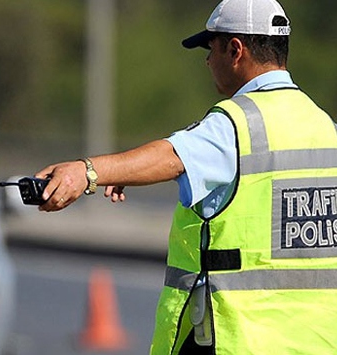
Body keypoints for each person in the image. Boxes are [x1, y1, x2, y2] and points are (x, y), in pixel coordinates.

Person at [34, 0, 337, 354]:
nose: (208, 61)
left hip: (241, 341)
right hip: (316, 340)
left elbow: (172, 156)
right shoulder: (324, 126)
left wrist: (86, 172)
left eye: (211, 50)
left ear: (235, 50)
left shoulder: (237, 124)